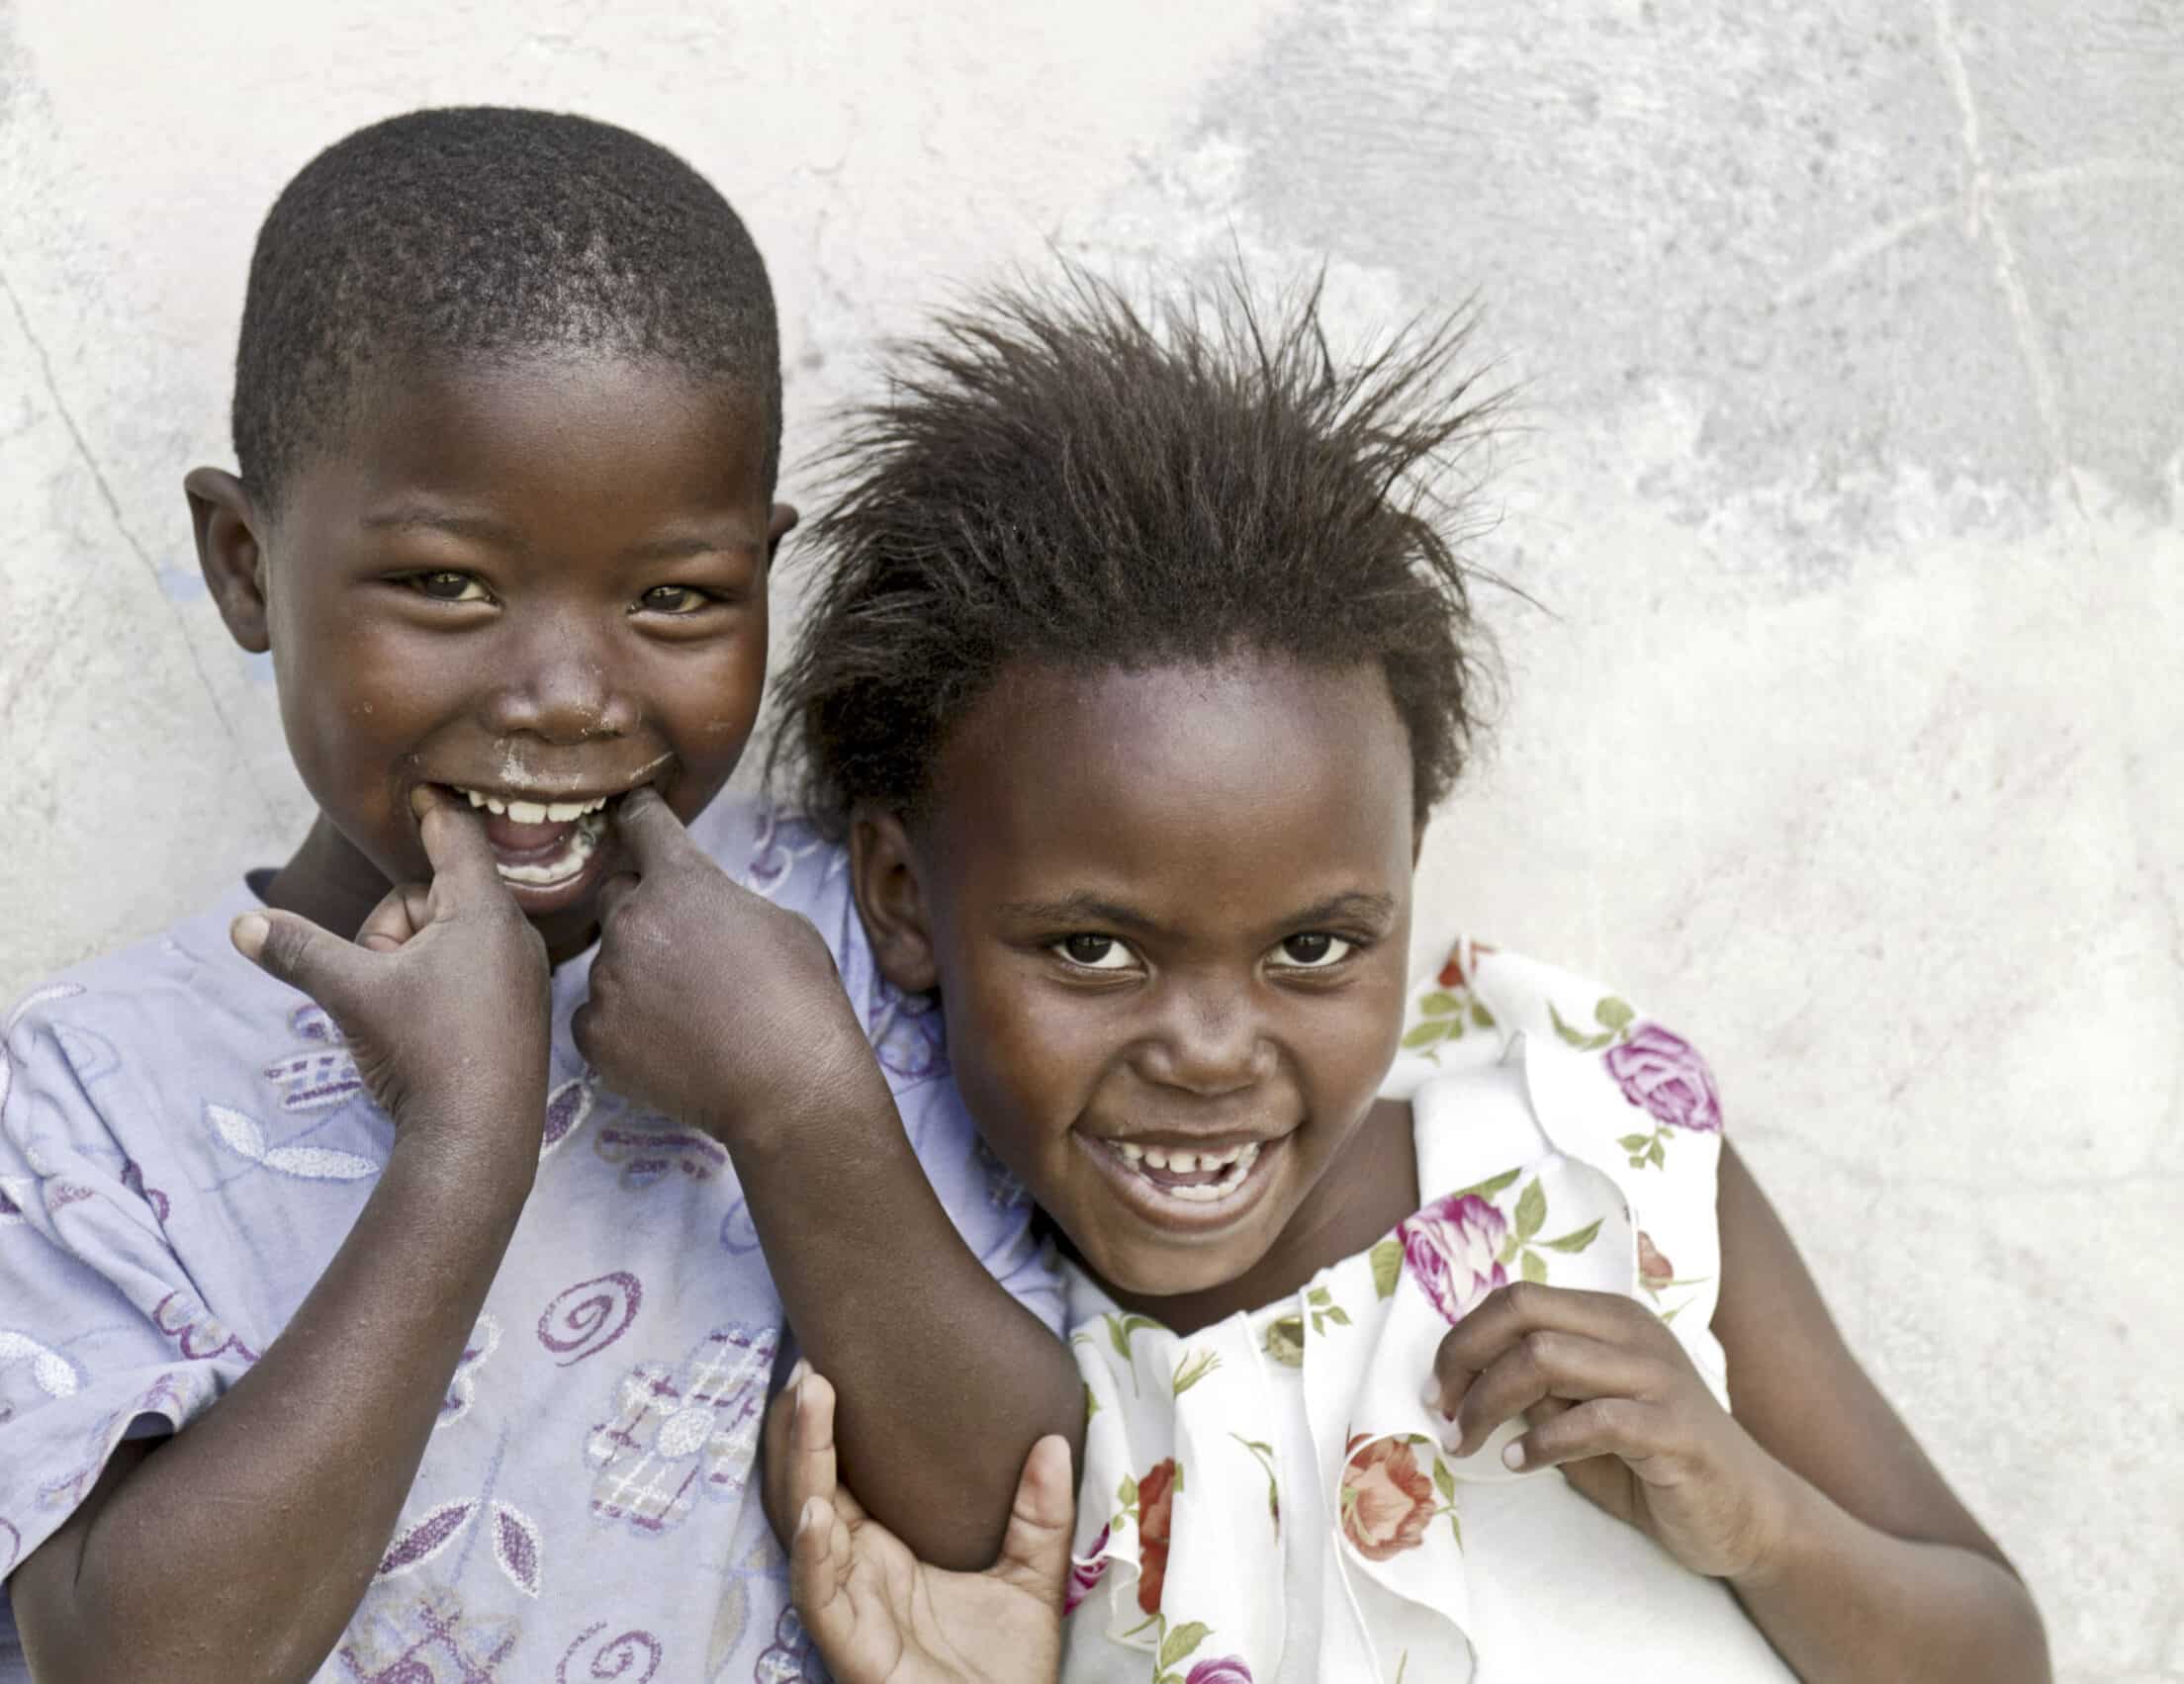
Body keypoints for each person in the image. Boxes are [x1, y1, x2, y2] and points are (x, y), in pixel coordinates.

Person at [0, 108, 1080, 1684]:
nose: (564, 697)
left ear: (763, 569)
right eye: (448, 585)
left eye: (675, 598)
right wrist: (466, 1144)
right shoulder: (102, 1082)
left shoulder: (832, 959)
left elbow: (1013, 1523)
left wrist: (802, 1102)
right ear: (246, 563)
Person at [758, 269, 2051, 1682]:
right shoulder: (972, 1373)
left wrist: (1758, 1520)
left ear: (1406, 868)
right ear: (902, 898)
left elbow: (1994, 1655)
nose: (1207, 1048)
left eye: (1312, 948)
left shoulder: (1587, 1160)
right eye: (1095, 949)